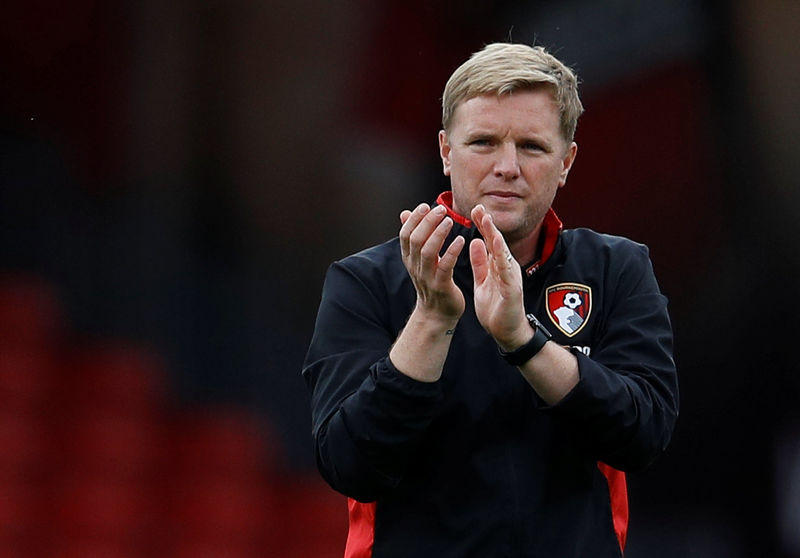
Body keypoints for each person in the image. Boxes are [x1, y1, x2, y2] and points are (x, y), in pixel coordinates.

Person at [303, 42, 678, 558]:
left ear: (566, 161)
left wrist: (521, 341)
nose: (507, 166)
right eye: (483, 142)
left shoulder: (617, 268)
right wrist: (432, 319)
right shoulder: (363, 280)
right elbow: (351, 465)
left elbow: (645, 435)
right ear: (444, 151)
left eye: (531, 146)